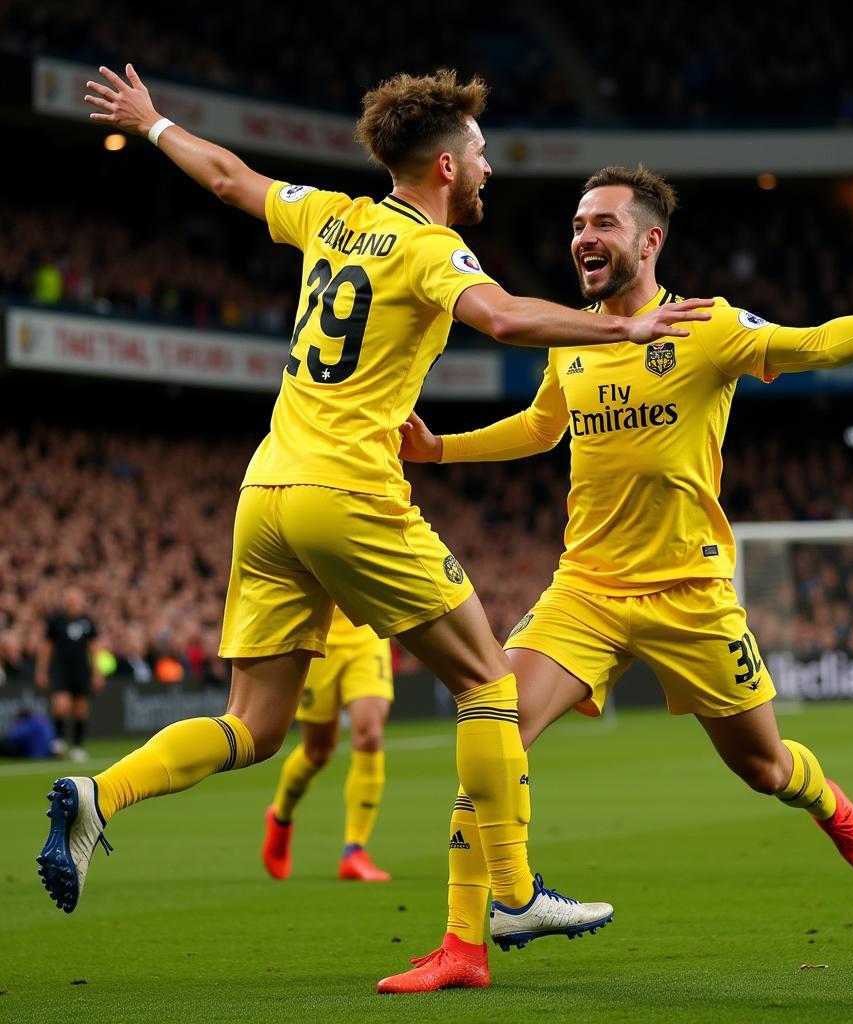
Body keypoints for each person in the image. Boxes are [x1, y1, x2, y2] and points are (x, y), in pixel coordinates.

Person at [40, 65, 711, 971]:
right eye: (477, 155)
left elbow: (231, 178)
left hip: (265, 493)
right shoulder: (434, 251)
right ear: (442, 167)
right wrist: (622, 330)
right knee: (489, 684)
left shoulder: (333, 214)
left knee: (254, 726)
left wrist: (155, 123)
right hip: (348, 491)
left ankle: (99, 795)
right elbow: (506, 320)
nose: (485, 170)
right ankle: (511, 894)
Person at [382, 164, 853, 992]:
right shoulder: (574, 335)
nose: (583, 237)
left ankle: (821, 796)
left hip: (692, 596)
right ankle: (464, 946)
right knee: (491, 731)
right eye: (578, 223)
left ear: (651, 240)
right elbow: (542, 428)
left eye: (603, 223)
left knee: (762, 768)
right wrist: (443, 450)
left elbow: (812, 344)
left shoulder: (707, 326)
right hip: (587, 592)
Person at [262, 608, 394, 882]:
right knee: (318, 751)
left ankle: (354, 850)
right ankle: (280, 818)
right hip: (316, 636)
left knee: (369, 735)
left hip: (367, 633)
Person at [35, 586, 103, 762]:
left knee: (81, 708)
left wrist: (97, 672)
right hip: (61, 669)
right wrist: (41, 670)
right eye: (69, 599)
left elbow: (94, 648)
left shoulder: (87, 621)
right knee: (60, 704)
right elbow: (47, 647)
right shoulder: (56, 621)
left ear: (81, 602)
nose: (72, 603)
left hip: (81, 670)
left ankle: (78, 746)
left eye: (75, 600)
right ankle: (58, 739)